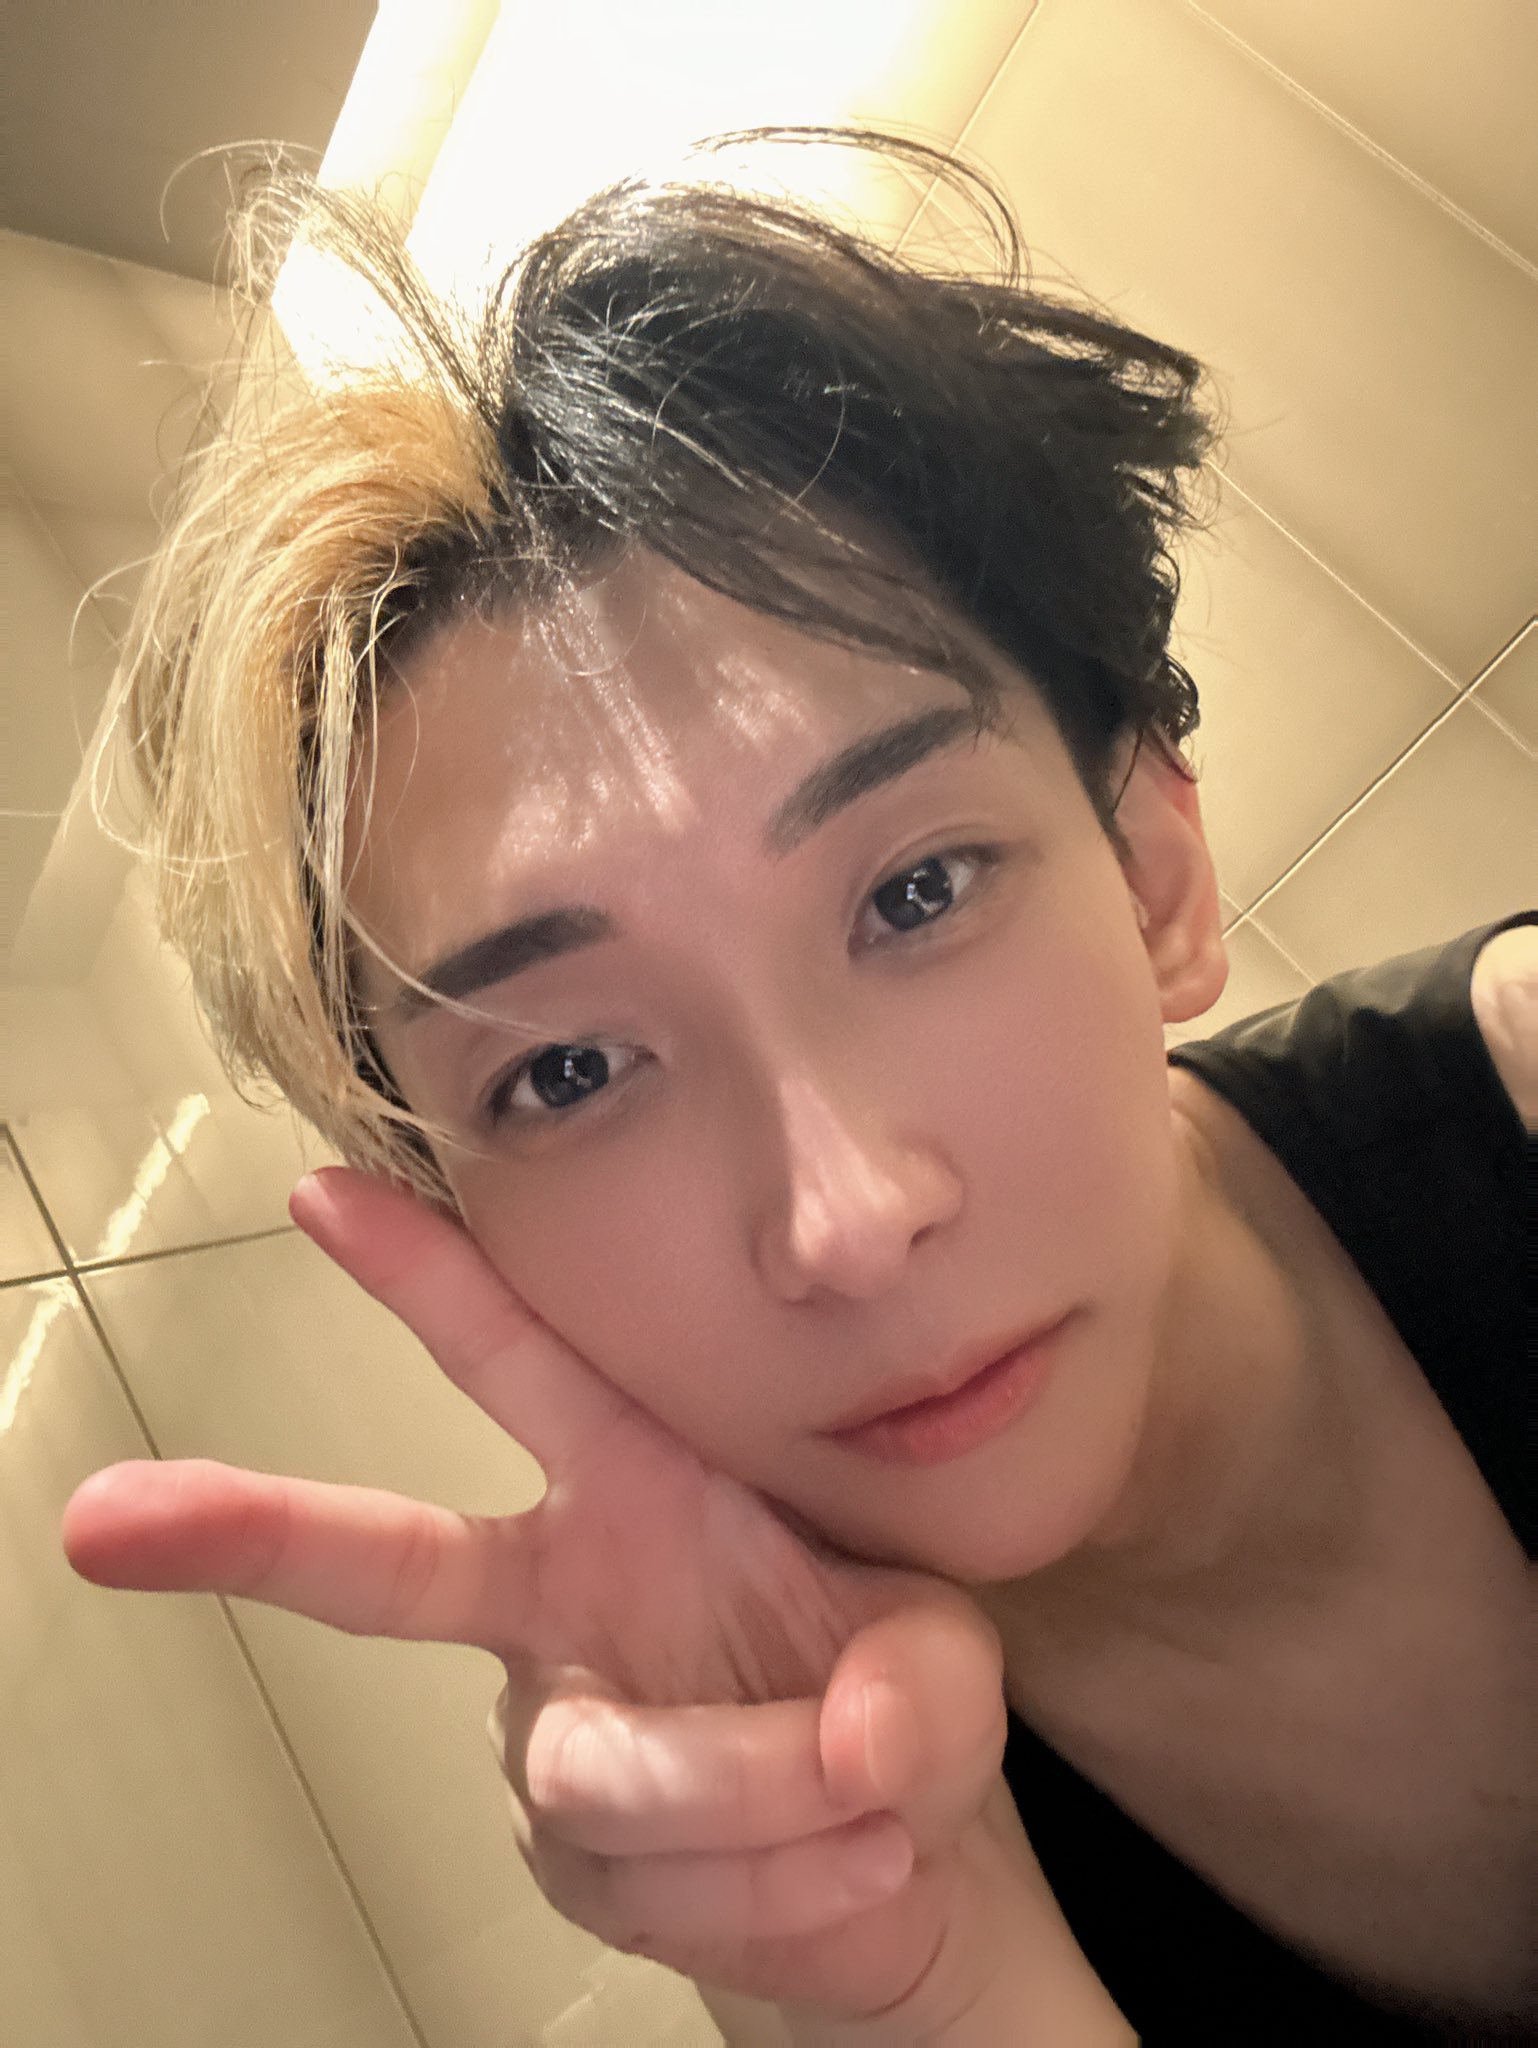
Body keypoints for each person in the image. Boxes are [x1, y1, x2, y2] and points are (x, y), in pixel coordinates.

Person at [59, 129, 1533, 2043]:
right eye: (569, 1069)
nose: (844, 1219)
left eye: (917, 891)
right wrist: (946, 1999)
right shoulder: (788, 1817)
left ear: (1153, 874)